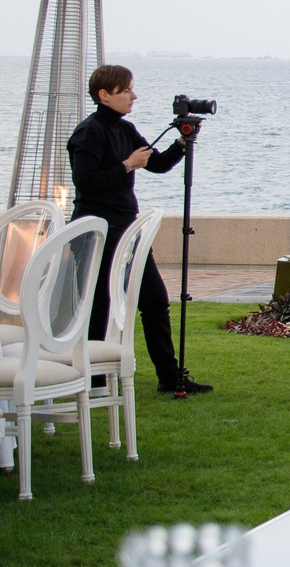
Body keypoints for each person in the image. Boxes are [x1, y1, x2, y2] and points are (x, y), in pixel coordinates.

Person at [66, 65, 208, 397]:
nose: (134, 95)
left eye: (132, 88)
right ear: (104, 95)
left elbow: (155, 164)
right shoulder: (88, 132)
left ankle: (169, 377)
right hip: (95, 232)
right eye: (126, 90)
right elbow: (85, 182)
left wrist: (182, 142)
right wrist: (127, 165)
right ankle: (93, 379)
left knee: (155, 301)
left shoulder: (125, 128)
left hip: (127, 234)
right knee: (99, 304)